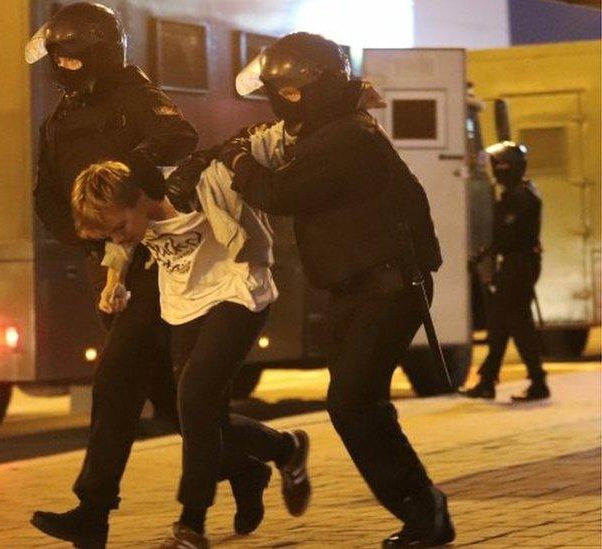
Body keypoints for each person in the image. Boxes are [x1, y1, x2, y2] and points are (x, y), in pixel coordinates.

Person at [169, 32, 455, 547]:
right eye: (279, 92)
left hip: (386, 289)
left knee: (353, 404)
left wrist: (237, 163)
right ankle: (422, 509)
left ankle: (424, 512)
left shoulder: (346, 138)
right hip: (357, 290)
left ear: (316, 86)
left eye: (292, 91)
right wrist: (220, 153)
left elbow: (277, 192)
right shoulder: (326, 132)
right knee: (351, 405)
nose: (282, 102)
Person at [24, 4, 287, 547]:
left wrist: (128, 191)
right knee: (176, 405)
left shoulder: (136, 96)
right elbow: (45, 191)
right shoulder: (60, 117)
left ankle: (93, 513)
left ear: (101, 52)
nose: (68, 67)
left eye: (76, 58)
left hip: (153, 258)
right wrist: (93, 240)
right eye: (61, 59)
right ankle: (252, 462)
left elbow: (177, 139)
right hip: (114, 256)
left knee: (117, 380)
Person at [71, 136, 309, 548]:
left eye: (122, 227)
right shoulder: (130, 223)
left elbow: (263, 142)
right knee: (203, 421)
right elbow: (118, 248)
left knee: (195, 397)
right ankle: (285, 448)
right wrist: (114, 283)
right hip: (184, 307)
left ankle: (191, 524)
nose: (121, 237)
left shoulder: (199, 186)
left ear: (140, 197)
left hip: (238, 294)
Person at [460, 141, 549, 402]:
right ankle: (487, 381)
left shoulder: (518, 197)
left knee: (518, 324)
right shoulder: (523, 192)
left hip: (517, 265)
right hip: (519, 263)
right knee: (499, 324)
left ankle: (538, 381)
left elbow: (507, 236)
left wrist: (483, 254)